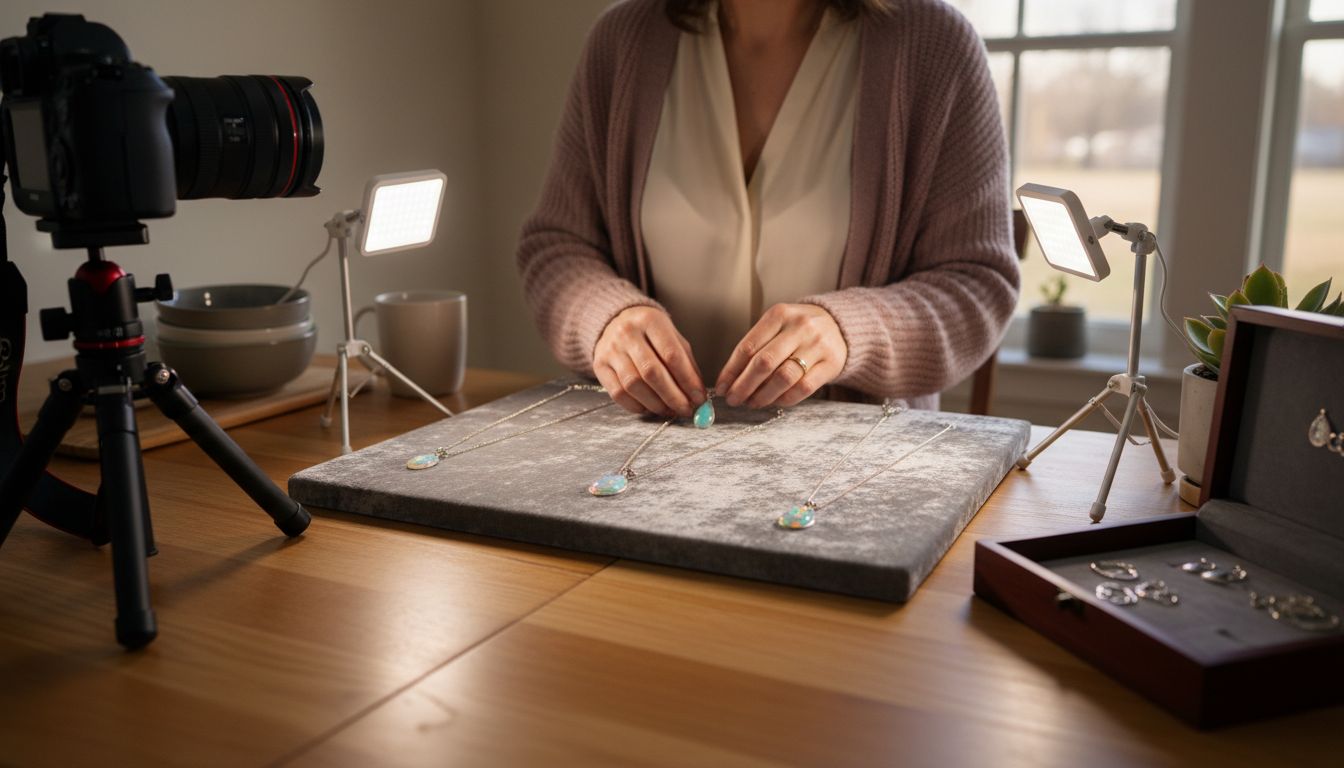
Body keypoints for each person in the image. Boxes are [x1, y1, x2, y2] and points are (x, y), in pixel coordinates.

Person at [517, 0, 1018, 419]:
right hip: (641, 461)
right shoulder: (623, 41)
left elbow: (978, 283)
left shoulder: (935, 46)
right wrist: (607, 319)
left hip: (852, 480)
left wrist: (848, 332)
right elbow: (558, 249)